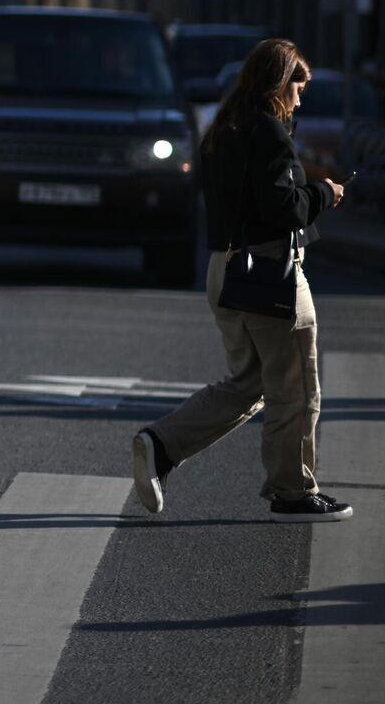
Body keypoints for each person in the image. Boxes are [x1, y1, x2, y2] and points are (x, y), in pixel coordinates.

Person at [131, 39, 351, 523]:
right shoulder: (268, 132)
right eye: (298, 84)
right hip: (271, 271)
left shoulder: (223, 128)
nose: (301, 96)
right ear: (277, 81)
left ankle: (162, 444)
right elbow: (281, 209)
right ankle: (292, 491)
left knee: (249, 384)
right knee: (296, 387)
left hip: (225, 271)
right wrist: (322, 193)